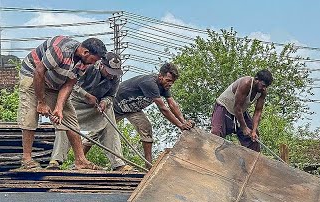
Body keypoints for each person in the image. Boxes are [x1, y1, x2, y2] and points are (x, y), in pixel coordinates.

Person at [17, 35, 106, 171]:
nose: (94, 63)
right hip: (32, 74)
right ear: (85, 52)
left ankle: (80, 161)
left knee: (70, 118)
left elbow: (68, 84)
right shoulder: (60, 51)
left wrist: (59, 107)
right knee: (30, 114)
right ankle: (27, 159)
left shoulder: (84, 63)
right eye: (94, 60)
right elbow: (39, 72)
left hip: (55, 83)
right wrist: (41, 102)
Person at [48, 52, 127, 171]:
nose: (111, 75)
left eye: (114, 73)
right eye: (109, 72)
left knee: (110, 118)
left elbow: (111, 95)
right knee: (64, 124)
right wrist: (86, 95)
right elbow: (71, 85)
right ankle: (56, 161)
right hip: (75, 103)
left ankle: (117, 163)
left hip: (96, 106)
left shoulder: (115, 77)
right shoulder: (88, 67)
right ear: (101, 65)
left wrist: (105, 102)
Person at [113, 62, 194, 167]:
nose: (170, 84)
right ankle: (84, 162)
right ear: (160, 76)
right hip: (118, 104)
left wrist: (184, 122)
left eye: (172, 82)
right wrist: (180, 126)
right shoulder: (150, 83)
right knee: (100, 130)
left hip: (133, 109)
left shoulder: (164, 87)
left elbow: (172, 104)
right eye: (168, 80)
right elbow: (163, 108)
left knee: (146, 128)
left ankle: (148, 166)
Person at [211, 69, 272, 152]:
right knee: (216, 134)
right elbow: (237, 107)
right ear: (256, 79)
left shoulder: (262, 92)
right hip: (225, 107)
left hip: (241, 112)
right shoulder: (246, 83)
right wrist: (244, 127)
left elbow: (258, 111)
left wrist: (253, 130)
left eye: (266, 87)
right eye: (263, 85)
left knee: (253, 138)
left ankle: (251, 163)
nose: (264, 89)